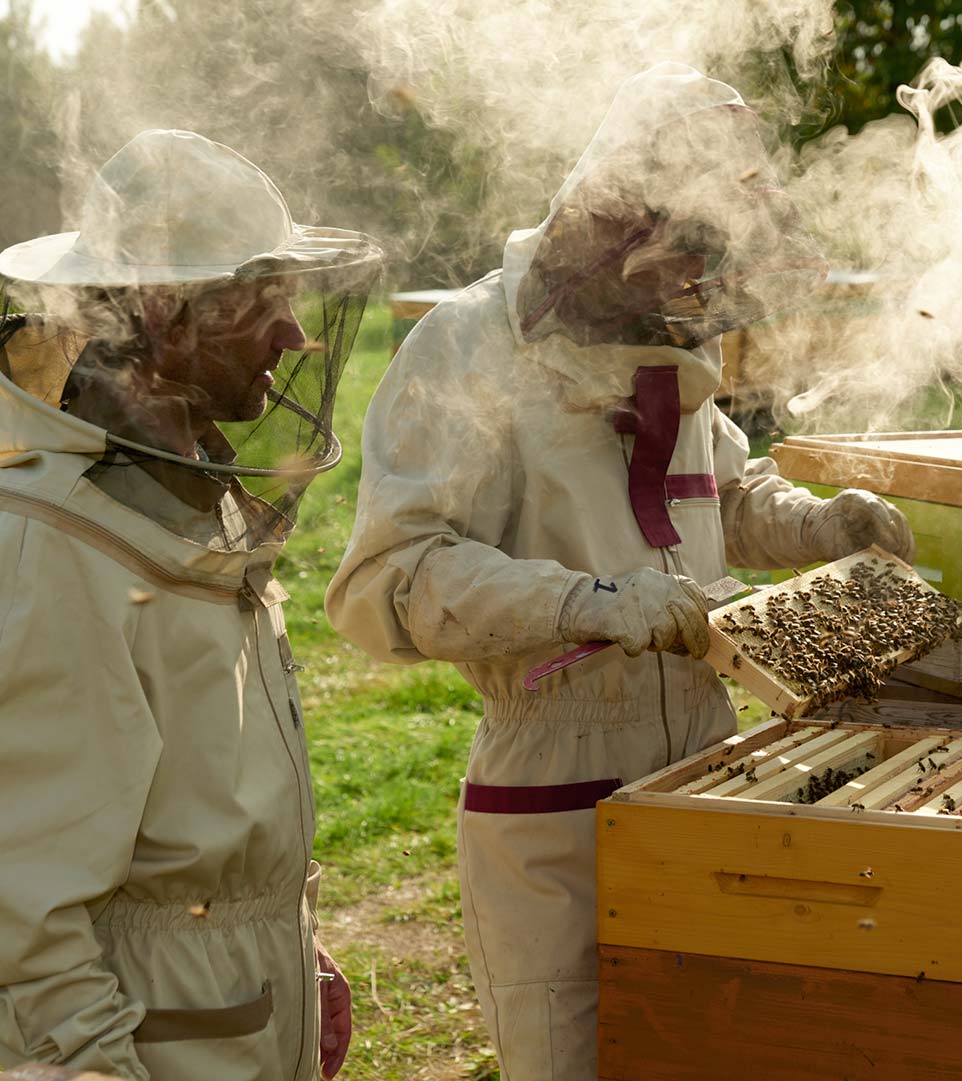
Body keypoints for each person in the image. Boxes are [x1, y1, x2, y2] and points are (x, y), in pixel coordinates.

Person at [325, 63, 914, 1080]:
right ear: (615, 221)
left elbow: (719, 497)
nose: (697, 283)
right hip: (554, 773)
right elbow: (396, 577)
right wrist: (589, 604)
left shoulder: (658, 346)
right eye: (687, 250)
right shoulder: (465, 346)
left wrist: (823, 525)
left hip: (706, 754)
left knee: (703, 1044)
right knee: (575, 1055)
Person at [0, 129, 382, 1081]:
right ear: (169, 312)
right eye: (267, 302)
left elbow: (194, 804)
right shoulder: (49, 544)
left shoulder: (181, 475)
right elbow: (22, 906)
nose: (297, 335)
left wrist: (283, 946)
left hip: (227, 1010)